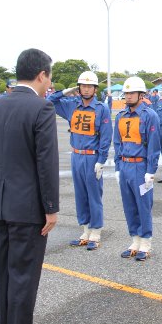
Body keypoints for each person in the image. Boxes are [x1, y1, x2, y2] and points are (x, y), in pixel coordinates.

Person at [0, 48, 59, 324]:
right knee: (23, 280)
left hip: (0, 205)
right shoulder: (41, 108)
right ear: (41, 75)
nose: (49, 84)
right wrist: (51, 208)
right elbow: (46, 163)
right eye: (49, 77)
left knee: (3, 278)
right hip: (28, 210)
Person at [48, 71, 112, 250]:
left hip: (92, 157)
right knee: (80, 194)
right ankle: (85, 229)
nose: (86, 89)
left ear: (95, 88)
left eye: (89, 86)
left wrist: (102, 160)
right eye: (83, 86)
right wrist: (66, 91)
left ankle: (96, 231)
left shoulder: (101, 108)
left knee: (94, 195)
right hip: (76, 155)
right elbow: (49, 101)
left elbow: (106, 137)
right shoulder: (71, 105)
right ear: (79, 87)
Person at [113, 76, 161, 261]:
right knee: (129, 205)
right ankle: (135, 240)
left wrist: (151, 170)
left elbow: (154, 146)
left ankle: (146, 242)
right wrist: (117, 167)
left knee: (143, 205)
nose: (128, 96)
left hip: (141, 166)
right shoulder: (121, 116)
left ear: (141, 95)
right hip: (125, 164)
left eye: (132, 93)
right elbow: (118, 143)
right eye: (126, 93)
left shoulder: (150, 115)